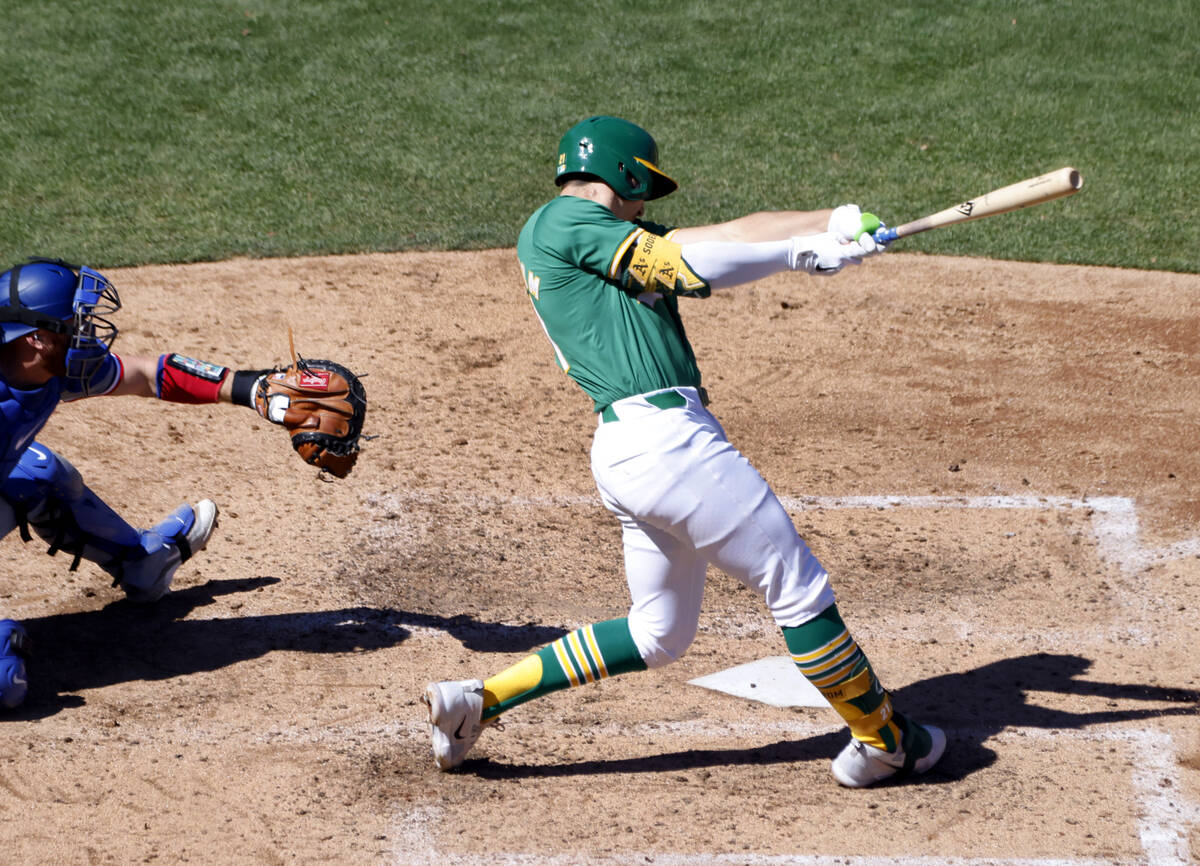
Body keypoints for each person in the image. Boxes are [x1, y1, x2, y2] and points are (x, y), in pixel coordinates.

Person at [422, 116, 946, 787]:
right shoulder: (561, 224)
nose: (646, 206)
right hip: (670, 447)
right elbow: (685, 266)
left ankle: (479, 702)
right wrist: (795, 255)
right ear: (627, 175)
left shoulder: (595, 238)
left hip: (629, 451)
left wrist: (830, 223)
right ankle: (885, 739)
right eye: (644, 191)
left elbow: (725, 235)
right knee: (795, 585)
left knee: (658, 633)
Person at [0, 257, 287, 710]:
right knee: (4, 685)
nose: (88, 335)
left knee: (40, 474)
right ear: (37, 340)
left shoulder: (43, 371)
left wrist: (250, 388)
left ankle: (141, 564)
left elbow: (149, 373)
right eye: (75, 325)